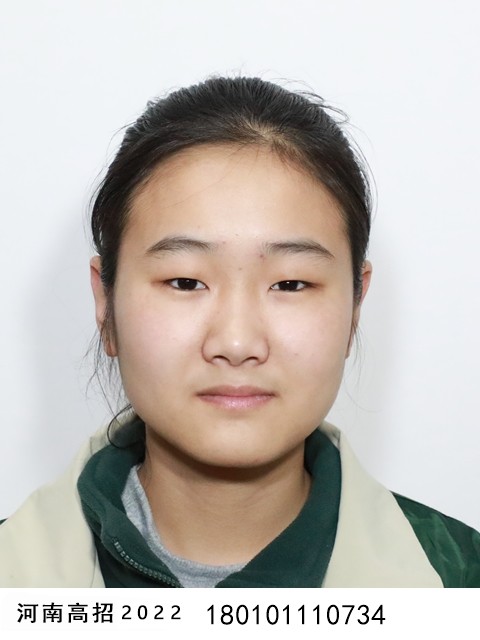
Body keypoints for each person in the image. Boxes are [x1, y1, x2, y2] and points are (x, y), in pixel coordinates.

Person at [1, 76, 479, 588]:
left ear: (355, 307)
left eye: (290, 284)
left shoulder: (457, 581)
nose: (236, 343)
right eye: (185, 282)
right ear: (106, 304)